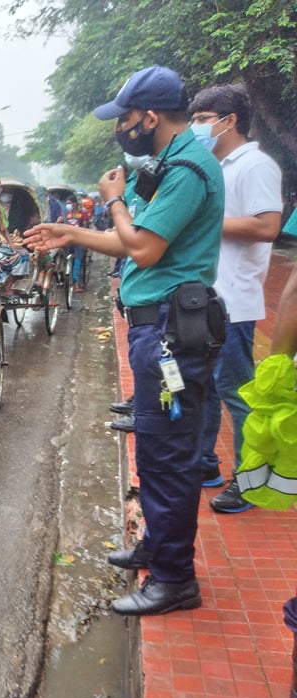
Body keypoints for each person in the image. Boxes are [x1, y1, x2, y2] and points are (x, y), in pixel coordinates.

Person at [24, 65, 225, 616]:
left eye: (126, 119)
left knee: (169, 455)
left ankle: (174, 578)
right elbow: (126, 240)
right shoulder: (171, 165)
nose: (122, 129)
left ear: (149, 117)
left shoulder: (187, 169)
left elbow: (143, 249)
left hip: (170, 333)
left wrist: (113, 197)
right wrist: (69, 233)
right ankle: (157, 547)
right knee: (156, 451)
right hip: (155, 329)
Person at [186, 84, 283, 511]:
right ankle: (206, 463)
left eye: (204, 118)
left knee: (237, 392)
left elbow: (267, 227)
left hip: (236, 303)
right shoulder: (217, 166)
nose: (196, 126)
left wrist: (206, 222)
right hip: (209, 298)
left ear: (230, 121)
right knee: (204, 386)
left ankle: (251, 481)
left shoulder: (255, 165)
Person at [0, 172, 30, 295]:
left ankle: (8, 284)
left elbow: (3, 229)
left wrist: (12, 245)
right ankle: (3, 285)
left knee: (23, 254)